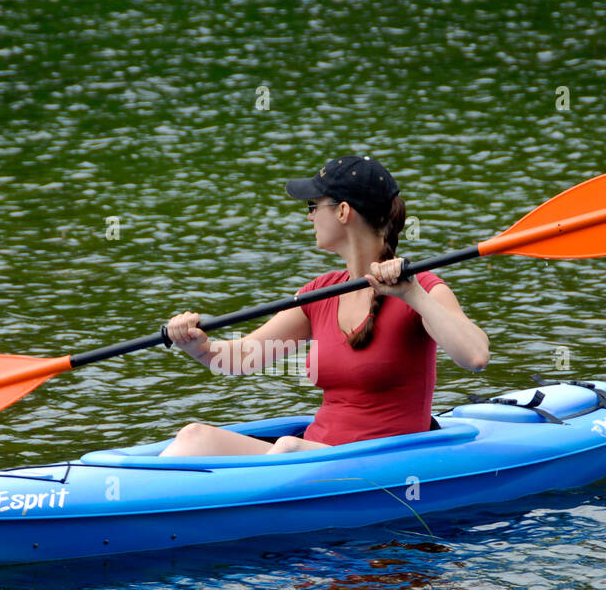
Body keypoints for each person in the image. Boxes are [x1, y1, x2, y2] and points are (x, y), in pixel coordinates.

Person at [160, 155, 489, 457]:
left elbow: (475, 357)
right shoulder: (320, 293)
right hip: (315, 453)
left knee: (287, 447)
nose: (309, 217)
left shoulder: (423, 288)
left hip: (381, 462)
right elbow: (241, 359)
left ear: (343, 212)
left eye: (313, 205)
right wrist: (196, 346)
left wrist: (412, 295)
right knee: (194, 436)